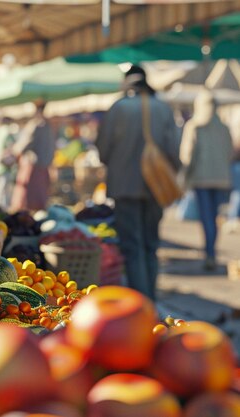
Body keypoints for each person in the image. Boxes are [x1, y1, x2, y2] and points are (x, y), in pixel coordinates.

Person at [96, 64, 181, 301]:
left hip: (124, 187)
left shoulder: (117, 108)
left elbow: (103, 151)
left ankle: (141, 302)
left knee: (132, 247)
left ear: (127, 83)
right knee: (151, 245)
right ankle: (151, 298)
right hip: (156, 186)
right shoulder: (163, 109)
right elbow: (175, 152)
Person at [180, 89, 233, 270]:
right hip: (220, 179)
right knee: (214, 216)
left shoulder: (194, 126)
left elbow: (187, 156)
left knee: (207, 218)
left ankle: (209, 253)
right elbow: (229, 153)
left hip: (202, 179)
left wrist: (185, 177)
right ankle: (211, 251)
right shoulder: (224, 127)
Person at [10, 102, 56, 212]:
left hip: (33, 166)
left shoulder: (36, 125)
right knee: (39, 197)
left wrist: (13, 151)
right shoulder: (48, 125)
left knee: (27, 199)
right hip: (43, 166)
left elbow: (22, 146)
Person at [0, 117, 17, 209]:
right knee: (4, 192)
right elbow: (10, 148)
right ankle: (2, 211)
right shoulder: (7, 132)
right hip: (4, 166)